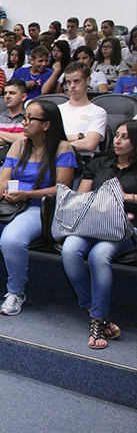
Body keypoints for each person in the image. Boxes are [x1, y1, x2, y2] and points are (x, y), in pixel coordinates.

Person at [0, 99, 76, 316]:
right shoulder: (18, 145)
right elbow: (2, 178)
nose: (24, 123)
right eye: (25, 118)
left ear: (46, 124)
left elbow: (62, 189)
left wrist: (27, 194)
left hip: (39, 207)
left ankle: (16, 291)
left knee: (10, 240)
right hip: (9, 203)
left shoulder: (63, 148)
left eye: (30, 119)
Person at [61, 120, 137, 349]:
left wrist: (127, 197)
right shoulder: (99, 162)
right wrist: (98, 197)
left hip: (127, 225)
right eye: (117, 136)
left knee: (99, 255)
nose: (118, 140)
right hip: (95, 222)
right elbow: (81, 196)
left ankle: (97, 320)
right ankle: (93, 309)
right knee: (70, 249)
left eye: (125, 137)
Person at [58, 62, 107, 156]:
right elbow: (47, 138)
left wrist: (58, 144)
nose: (72, 85)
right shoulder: (58, 109)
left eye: (77, 81)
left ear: (88, 81)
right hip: (55, 159)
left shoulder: (98, 112)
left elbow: (89, 144)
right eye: (68, 82)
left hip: (83, 160)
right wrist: (77, 137)